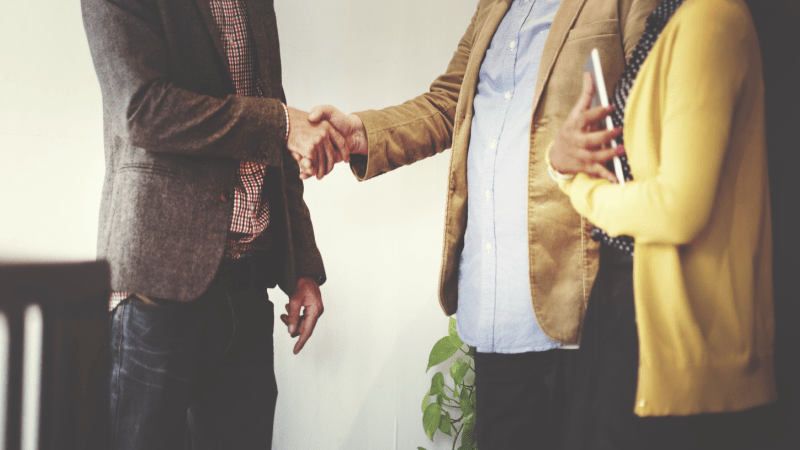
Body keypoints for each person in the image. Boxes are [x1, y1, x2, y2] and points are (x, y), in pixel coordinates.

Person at [300, 0, 658, 448]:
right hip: (492, 310)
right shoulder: (495, 4)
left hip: (580, 306)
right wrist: (360, 133)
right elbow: (452, 99)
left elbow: (656, 109)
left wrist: (581, 154)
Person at [81, 0, 343, 448]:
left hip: (247, 290)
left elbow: (275, 128)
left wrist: (301, 266)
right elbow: (143, 110)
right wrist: (280, 122)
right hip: (155, 291)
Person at [547, 0, 775, 448]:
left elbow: (677, 210)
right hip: (628, 303)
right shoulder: (667, 18)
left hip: (675, 324)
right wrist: (565, 159)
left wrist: (575, 186)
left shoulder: (710, 19)